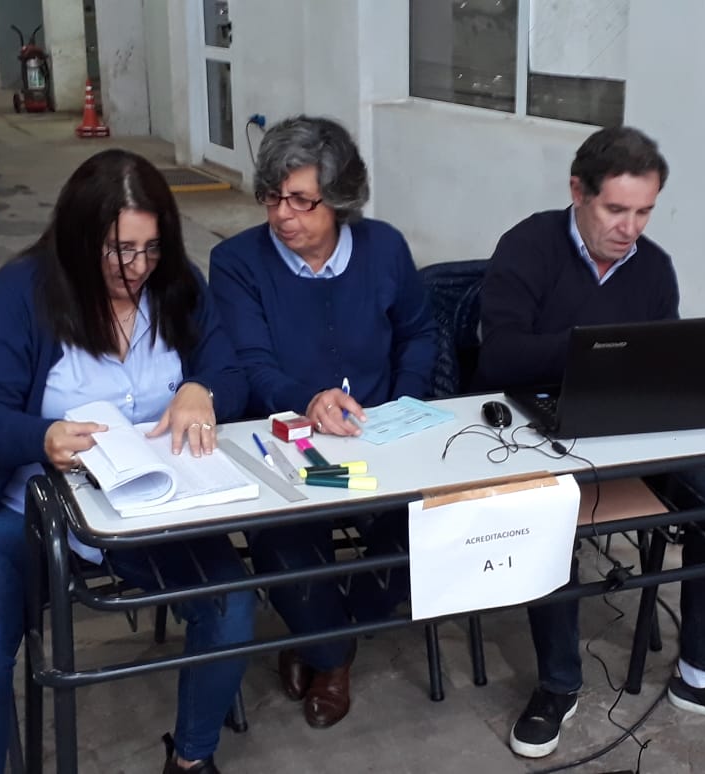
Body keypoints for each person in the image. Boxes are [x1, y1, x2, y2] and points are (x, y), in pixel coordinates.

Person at [473, 126, 705, 759]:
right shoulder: (528, 247)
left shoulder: (654, 267)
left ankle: (702, 675)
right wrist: (592, 348)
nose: (630, 228)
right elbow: (499, 357)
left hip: (632, 425)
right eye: (615, 209)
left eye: (644, 212)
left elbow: (664, 358)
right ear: (578, 192)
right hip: (539, 424)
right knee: (549, 516)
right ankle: (559, 685)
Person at [0, 149, 253, 774]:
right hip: (32, 512)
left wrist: (203, 389)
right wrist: (42, 438)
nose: (136, 268)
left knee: (232, 605)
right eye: (118, 250)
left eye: (151, 248)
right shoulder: (23, 292)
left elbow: (230, 372)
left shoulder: (177, 284)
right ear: (80, 238)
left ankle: (192, 759)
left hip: (151, 507)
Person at [209, 115, 438, 729]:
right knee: (282, 546)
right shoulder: (237, 262)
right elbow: (250, 363)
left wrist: (404, 404)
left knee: (421, 531)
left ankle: (317, 639)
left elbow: (419, 333)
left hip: (380, 441)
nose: (282, 215)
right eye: (271, 197)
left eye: (300, 200)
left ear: (339, 200)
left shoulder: (383, 248)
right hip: (287, 448)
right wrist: (306, 400)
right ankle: (332, 657)